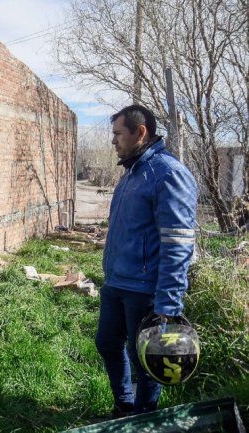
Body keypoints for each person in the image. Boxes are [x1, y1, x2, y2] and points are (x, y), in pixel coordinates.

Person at [96, 104, 197, 416]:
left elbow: (178, 245)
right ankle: (124, 405)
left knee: (145, 356)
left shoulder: (169, 174)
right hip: (116, 282)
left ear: (140, 133)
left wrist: (168, 303)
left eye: (118, 134)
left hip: (144, 289)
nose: (113, 141)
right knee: (107, 344)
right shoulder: (130, 174)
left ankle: (144, 414)